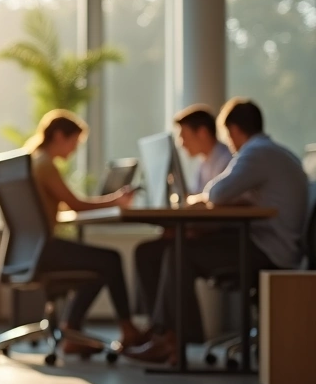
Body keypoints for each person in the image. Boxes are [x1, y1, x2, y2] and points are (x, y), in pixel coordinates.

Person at [126, 98, 309, 364]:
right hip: (269, 242)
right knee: (164, 250)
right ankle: (165, 333)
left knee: (179, 254)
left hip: (268, 250)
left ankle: (173, 340)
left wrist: (202, 200)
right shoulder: (273, 153)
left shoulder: (256, 152)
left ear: (234, 129)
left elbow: (219, 192)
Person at [24, 110, 145, 354]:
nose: (74, 150)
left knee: (99, 264)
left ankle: (72, 328)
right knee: (110, 259)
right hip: (45, 249)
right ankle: (126, 329)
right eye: (74, 142)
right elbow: (75, 204)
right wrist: (116, 200)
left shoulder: (34, 160)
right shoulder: (45, 164)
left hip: (31, 250)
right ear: (59, 136)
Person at [132, 104, 233, 320]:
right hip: (203, 232)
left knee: (170, 254)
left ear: (203, 132)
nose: (181, 143)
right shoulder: (205, 163)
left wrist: (190, 230)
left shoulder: (226, 161)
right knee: (147, 252)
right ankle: (160, 329)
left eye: (183, 135)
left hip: (222, 237)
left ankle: (171, 333)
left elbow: (218, 207)